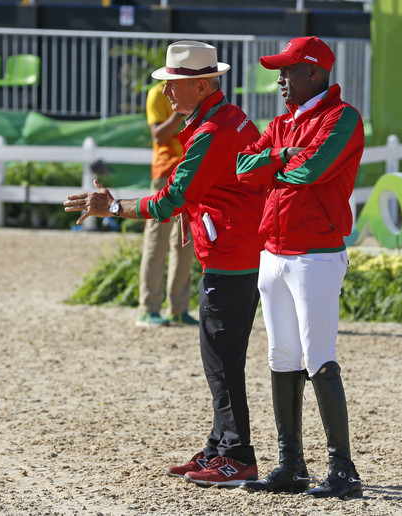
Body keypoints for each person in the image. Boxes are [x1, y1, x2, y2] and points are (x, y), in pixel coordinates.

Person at [64, 40, 266, 487]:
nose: (167, 92)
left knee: (221, 359)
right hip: (236, 250)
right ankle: (220, 447)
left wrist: (113, 208)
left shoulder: (213, 130)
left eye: (174, 84)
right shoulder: (222, 120)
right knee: (219, 355)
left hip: (232, 256)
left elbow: (174, 198)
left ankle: (236, 455)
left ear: (201, 84)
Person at [234, 36, 365, 500]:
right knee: (282, 359)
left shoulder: (344, 118)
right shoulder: (283, 123)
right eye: (280, 71)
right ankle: (292, 464)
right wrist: (282, 157)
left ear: (314, 72)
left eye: (288, 70)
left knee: (319, 359)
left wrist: (278, 163)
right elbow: (243, 168)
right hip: (274, 252)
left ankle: (344, 470)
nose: (280, 79)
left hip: (316, 256)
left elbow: (312, 171)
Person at [136, 80, 197, 327]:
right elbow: (158, 135)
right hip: (164, 173)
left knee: (185, 241)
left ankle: (178, 309)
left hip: (190, 170)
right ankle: (147, 308)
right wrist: (179, 113)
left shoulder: (196, 91)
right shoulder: (156, 93)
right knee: (157, 240)